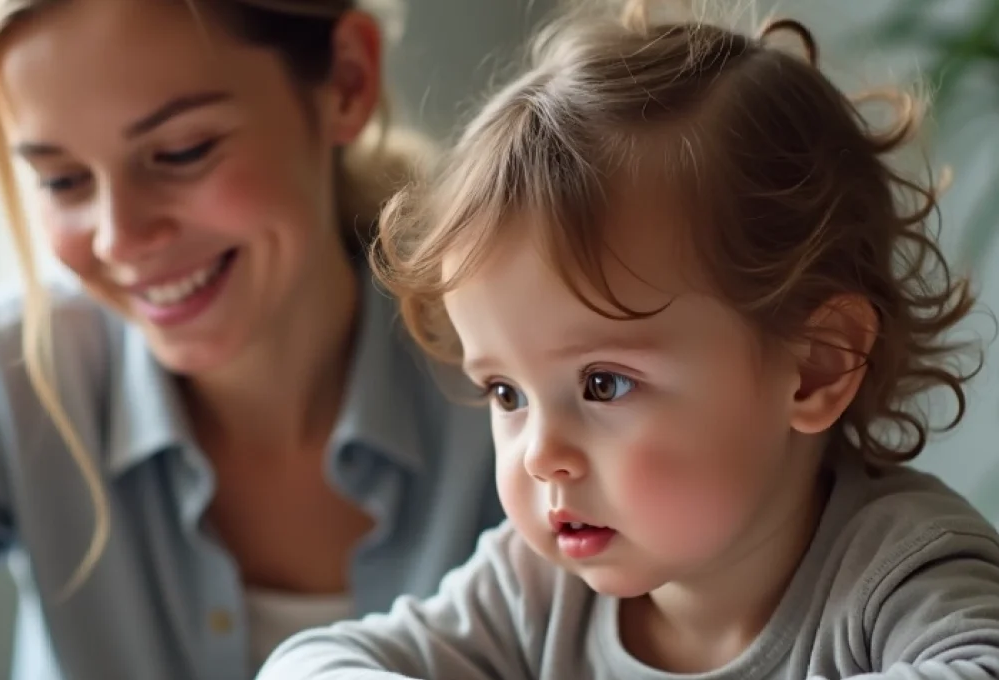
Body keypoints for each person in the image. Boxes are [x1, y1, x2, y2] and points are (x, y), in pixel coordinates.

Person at [0, 1, 505, 679]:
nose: (120, 236)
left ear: (348, 82)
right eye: (62, 180)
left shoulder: (516, 365)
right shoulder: (18, 371)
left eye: (181, 151)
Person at [257, 1, 999, 678]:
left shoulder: (901, 572)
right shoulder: (534, 591)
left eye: (603, 383)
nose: (539, 454)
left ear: (816, 366)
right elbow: (310, 664)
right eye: (505, 393)